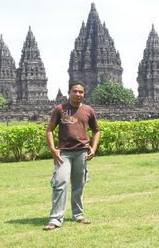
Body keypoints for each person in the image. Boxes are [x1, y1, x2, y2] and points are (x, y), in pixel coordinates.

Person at [43, 81, 100, 231]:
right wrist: (53, 149)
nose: (78, 94)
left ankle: (78, 215)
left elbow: (97, 130)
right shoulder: (60, 109)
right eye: (75, 91)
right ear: (69, 92)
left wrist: (93, 148)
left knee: (79, 185)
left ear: (84, 94)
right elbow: (49, 130)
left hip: (82, 152)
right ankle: (55, 219)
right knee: (60, 183)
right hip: (64, 153)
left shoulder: (88, 110)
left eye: (81, 92)